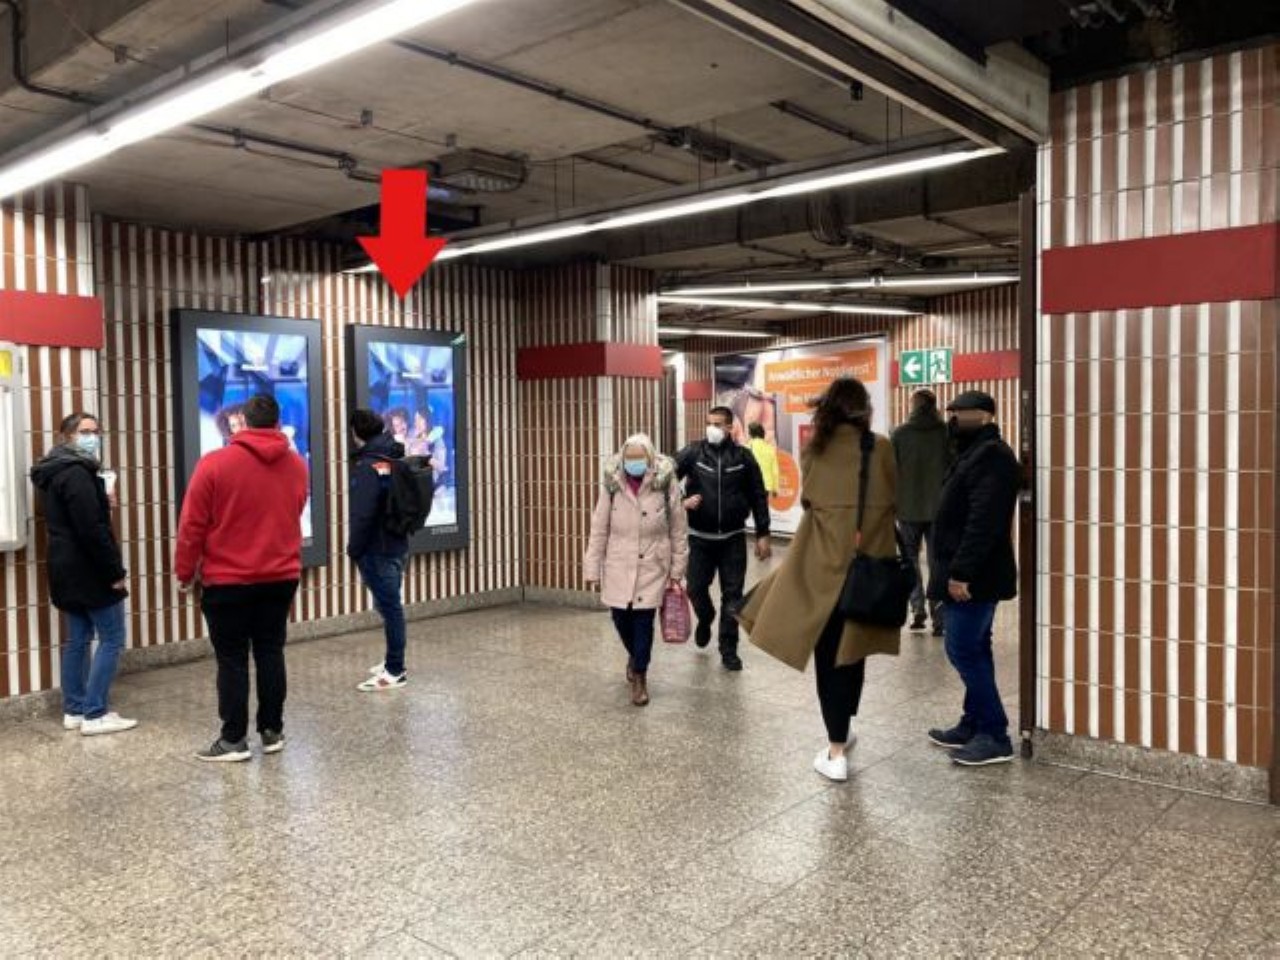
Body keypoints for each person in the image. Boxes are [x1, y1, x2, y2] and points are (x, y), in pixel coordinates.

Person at [739, 378, 900, 782]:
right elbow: (893, 498)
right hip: (869, 571)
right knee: (853, 653)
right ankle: (842, 732)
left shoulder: (816, 449)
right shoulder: (880, 447)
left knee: (830, 661)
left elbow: (809, 500)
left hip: (820, 571)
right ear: (864, 409)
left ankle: (836, 750)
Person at [175, 394, 309, 762]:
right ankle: (272, 730)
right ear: (277, 423)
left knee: (232, 659)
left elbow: (192, 525)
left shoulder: (214, 464)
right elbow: (294, 509)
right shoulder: (297, 465)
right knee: (270, 651)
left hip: (227, 580)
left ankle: (233, 740)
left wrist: (185, 571)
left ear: (244, 423)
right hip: (281, 576)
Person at [926, 390, 1020, 767]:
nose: (953, 420)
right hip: (969, 571)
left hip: (975, 575)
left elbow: (985, 521)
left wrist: (961, 573)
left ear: (984, 416)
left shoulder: (992, 456)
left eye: (960, 414)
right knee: (977, 647)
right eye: (951, 413)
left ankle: (995, 734)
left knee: (961, 648)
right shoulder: (972, 452)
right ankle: (974, 722)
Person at [30, 414, 138, 736]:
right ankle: (95, 713)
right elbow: (91, 530)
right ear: (67, 436)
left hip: (64, 566)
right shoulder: (78, 473)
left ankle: (75, 709)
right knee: (112, 637)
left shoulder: (54, 470)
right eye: (85, 432)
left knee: (78, 638)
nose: (93, 437)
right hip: (89, 568)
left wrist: (102, 502)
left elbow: (74, 516)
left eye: (96, 431)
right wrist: (114, 571)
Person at [584, 434, 689, 706]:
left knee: (643, 622)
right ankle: (634, 655)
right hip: (619, 563)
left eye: (639, 458)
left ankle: (640, 675)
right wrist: (592, 567)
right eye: (629, 458)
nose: (634, 463)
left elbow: (678, 529)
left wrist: (677, 570)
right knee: (620, 618)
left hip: (653, 563)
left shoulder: (665, 483)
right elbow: (599, 528)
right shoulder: (612, 484)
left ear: (650, 458)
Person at [675, 406, 772, 671]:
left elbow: (758, 495)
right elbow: (666, 478)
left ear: (730, 427)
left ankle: (728, 649)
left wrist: (763, 533)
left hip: (732, 539)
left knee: (733, 596)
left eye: (718, 424)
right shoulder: (693, 453)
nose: (712, 429)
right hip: (700, 538)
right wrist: (682, 501)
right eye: (709, 423)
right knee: (695, 588)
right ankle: (706, 617)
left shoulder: (743, 457)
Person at [348, 408, 410, 692]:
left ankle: (395, 670)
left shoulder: (368, 465)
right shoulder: (392, 456)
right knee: (388, 604)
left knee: (390, 608)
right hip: (397, 542)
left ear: (356, 433)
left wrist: (354, 548)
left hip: (376, 547)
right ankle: (392, 660)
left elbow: (364, 513)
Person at [891, 389, 952, 636]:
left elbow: (891, 471)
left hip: (907, 508)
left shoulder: (899, 434)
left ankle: (917, 607)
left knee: (910, 560)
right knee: (938, 562)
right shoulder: (946, 433)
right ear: (934, 405)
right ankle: (939, 616)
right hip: (940, 509)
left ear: (913, 405)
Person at [747, 421, 780, 499]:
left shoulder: (747, 448)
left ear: (750, 434)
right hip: (766, 486)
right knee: (763, 506)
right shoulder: (770, 449)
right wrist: (775, 488)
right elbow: (775, 471)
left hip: (751, 485)